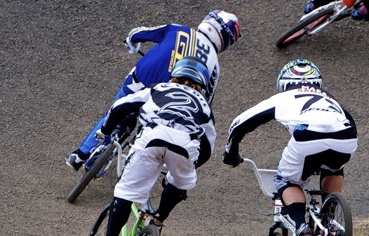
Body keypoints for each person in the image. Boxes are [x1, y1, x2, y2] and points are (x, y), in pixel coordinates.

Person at [67, 10, 241, 171]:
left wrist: (132, 44)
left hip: (141, 77)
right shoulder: (214, 66)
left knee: (119, 106)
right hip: (167, 98)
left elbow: (138, 33)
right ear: (225, 40)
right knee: (153, 126)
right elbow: (204, 101)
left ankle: (81, 153)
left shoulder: (177, 29)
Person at [222, 59, 358, 236]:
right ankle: (329, 215)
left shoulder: (283, 97)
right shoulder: (330, 99)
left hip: (308, 136)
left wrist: (230, 153)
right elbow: (350, 121)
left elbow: (239, 124)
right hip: (346, 137)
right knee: (334, 166)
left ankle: (301, 225)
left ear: (283, 83)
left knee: (285, 180)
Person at [92, 56, 217, 236]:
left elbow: (121, 106)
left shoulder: (158, 88)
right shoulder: (205, 106)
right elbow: (208, 146)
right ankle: (158, 221)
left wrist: (105, 130)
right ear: (202, 83)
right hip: (185, 145)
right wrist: (190, 167)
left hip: (153, 137)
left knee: (126, 191)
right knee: (180, 182)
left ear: (175, 75)